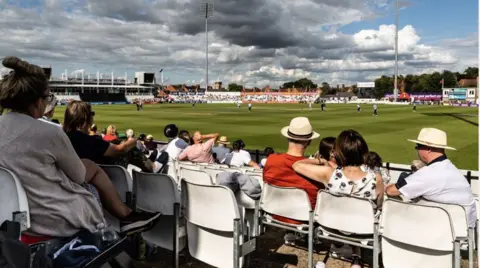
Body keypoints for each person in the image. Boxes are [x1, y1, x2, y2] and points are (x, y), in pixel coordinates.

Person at [0, 56, 159, 236]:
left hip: (9, 217)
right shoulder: (48, 132)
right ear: (37, 100)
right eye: (47, 97)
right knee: (88, 167)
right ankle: (126, 217)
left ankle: (126, 217)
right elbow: (78, 175)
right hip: (52, 219)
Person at [292, 130, 384, 268]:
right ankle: (357, 255)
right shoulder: (376, 178)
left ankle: (353, 253)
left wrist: (320, 160)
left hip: (332, 226)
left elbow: (296, 165)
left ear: (338, 152)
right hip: (362, 230)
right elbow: (379, 205)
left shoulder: (329, 173)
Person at [385, 128, 477, 228]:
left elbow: (390, 191)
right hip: (463, 233)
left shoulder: (427, 173)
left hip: (437, 234)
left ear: (428, 149)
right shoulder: (452, 169)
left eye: (418, 146)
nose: (417, 150)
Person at [263, 117, 323, 226]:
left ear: (288, 138)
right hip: (304, 219)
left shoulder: (271, 159)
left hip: (274, 212)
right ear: (308, 142)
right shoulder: (315, 169)